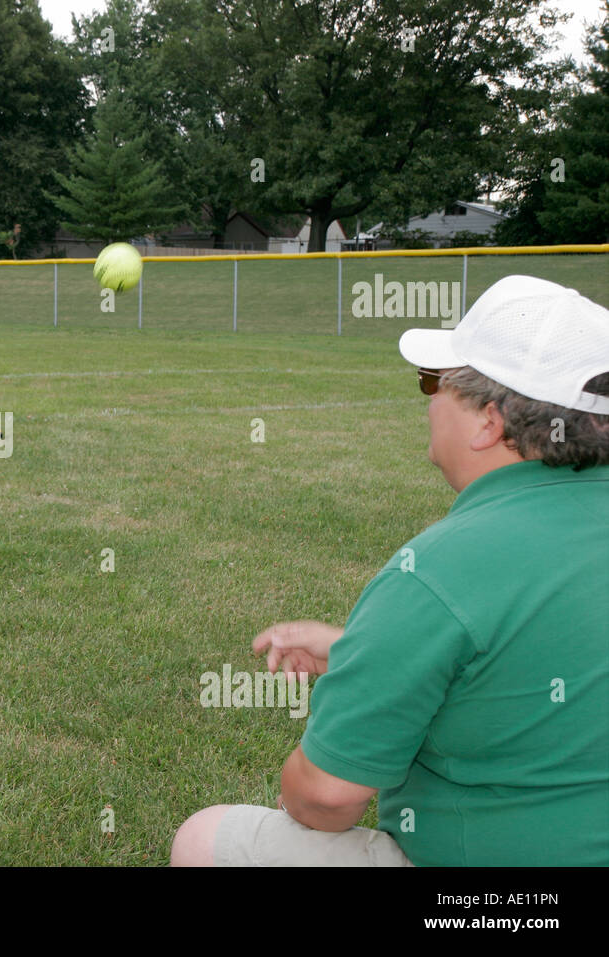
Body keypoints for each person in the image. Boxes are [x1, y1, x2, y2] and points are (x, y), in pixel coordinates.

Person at [171, 274, 609, 866]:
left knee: (205, 838)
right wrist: (369, 655)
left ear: (490, 421)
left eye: (434, 381)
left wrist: (374, 673)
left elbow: (326, 797)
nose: (427, 399)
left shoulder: (441, 567)